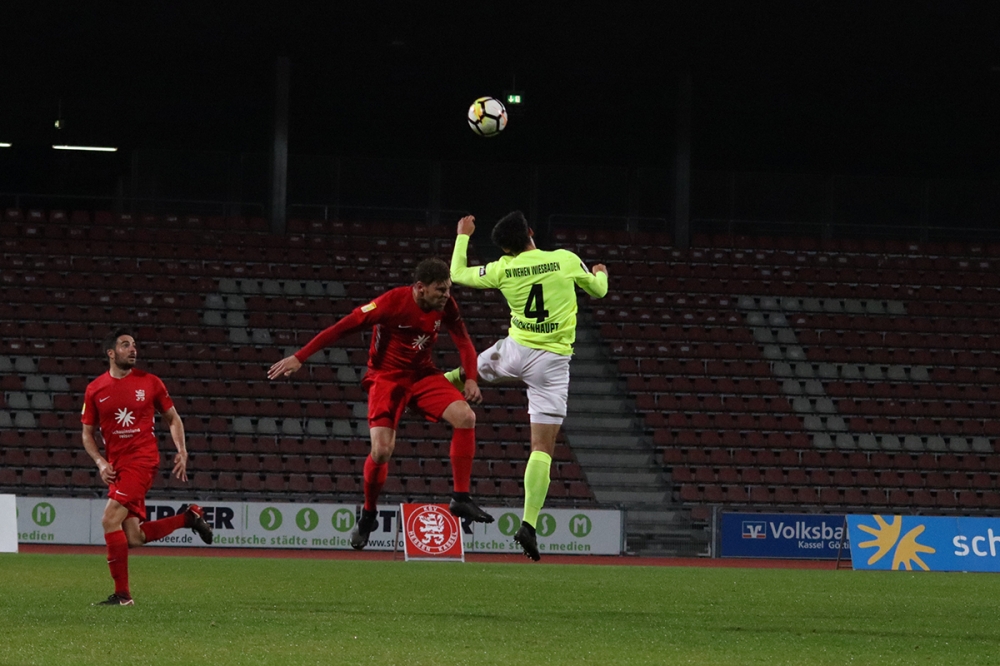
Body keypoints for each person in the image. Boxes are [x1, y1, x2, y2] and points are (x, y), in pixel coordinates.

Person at [267, 257, 494, 550]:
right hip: (386, 378)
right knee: (382, 451)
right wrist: (300, 356)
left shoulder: (445, 305)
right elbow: (342, 327)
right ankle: (369, 513)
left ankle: (460, 497)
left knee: (466, 416)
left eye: (448, 288)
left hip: (422, 375)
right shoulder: (390, 303)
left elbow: (463, 342)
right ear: (420, 288)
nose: (446, 294)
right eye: (440, 289)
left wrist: (471, 379)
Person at [446, 211, 609, 561]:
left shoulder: (503, 268)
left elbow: (456, 274)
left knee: (468, 371)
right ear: (531, 232)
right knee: (542, 448)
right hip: (551, 364)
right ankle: (528, 525)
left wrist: (463, 235)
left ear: (506, 249)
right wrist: (601, 274)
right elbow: (598, 291)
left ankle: (421, 388)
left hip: (514, 351)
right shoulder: (564, 260)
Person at [82, 329, 213, 606]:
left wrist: (182, 450)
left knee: (109, 519)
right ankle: (189, 518)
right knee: (134, 537)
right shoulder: (95, 389)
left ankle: (122, 596)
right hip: (117, 467)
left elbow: (173, 418)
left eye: (134, 345)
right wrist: (100, 462)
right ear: (111, 353)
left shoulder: (150, 382)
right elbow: (87, 434)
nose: (133, 349)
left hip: (142, 460)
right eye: (125, 345)